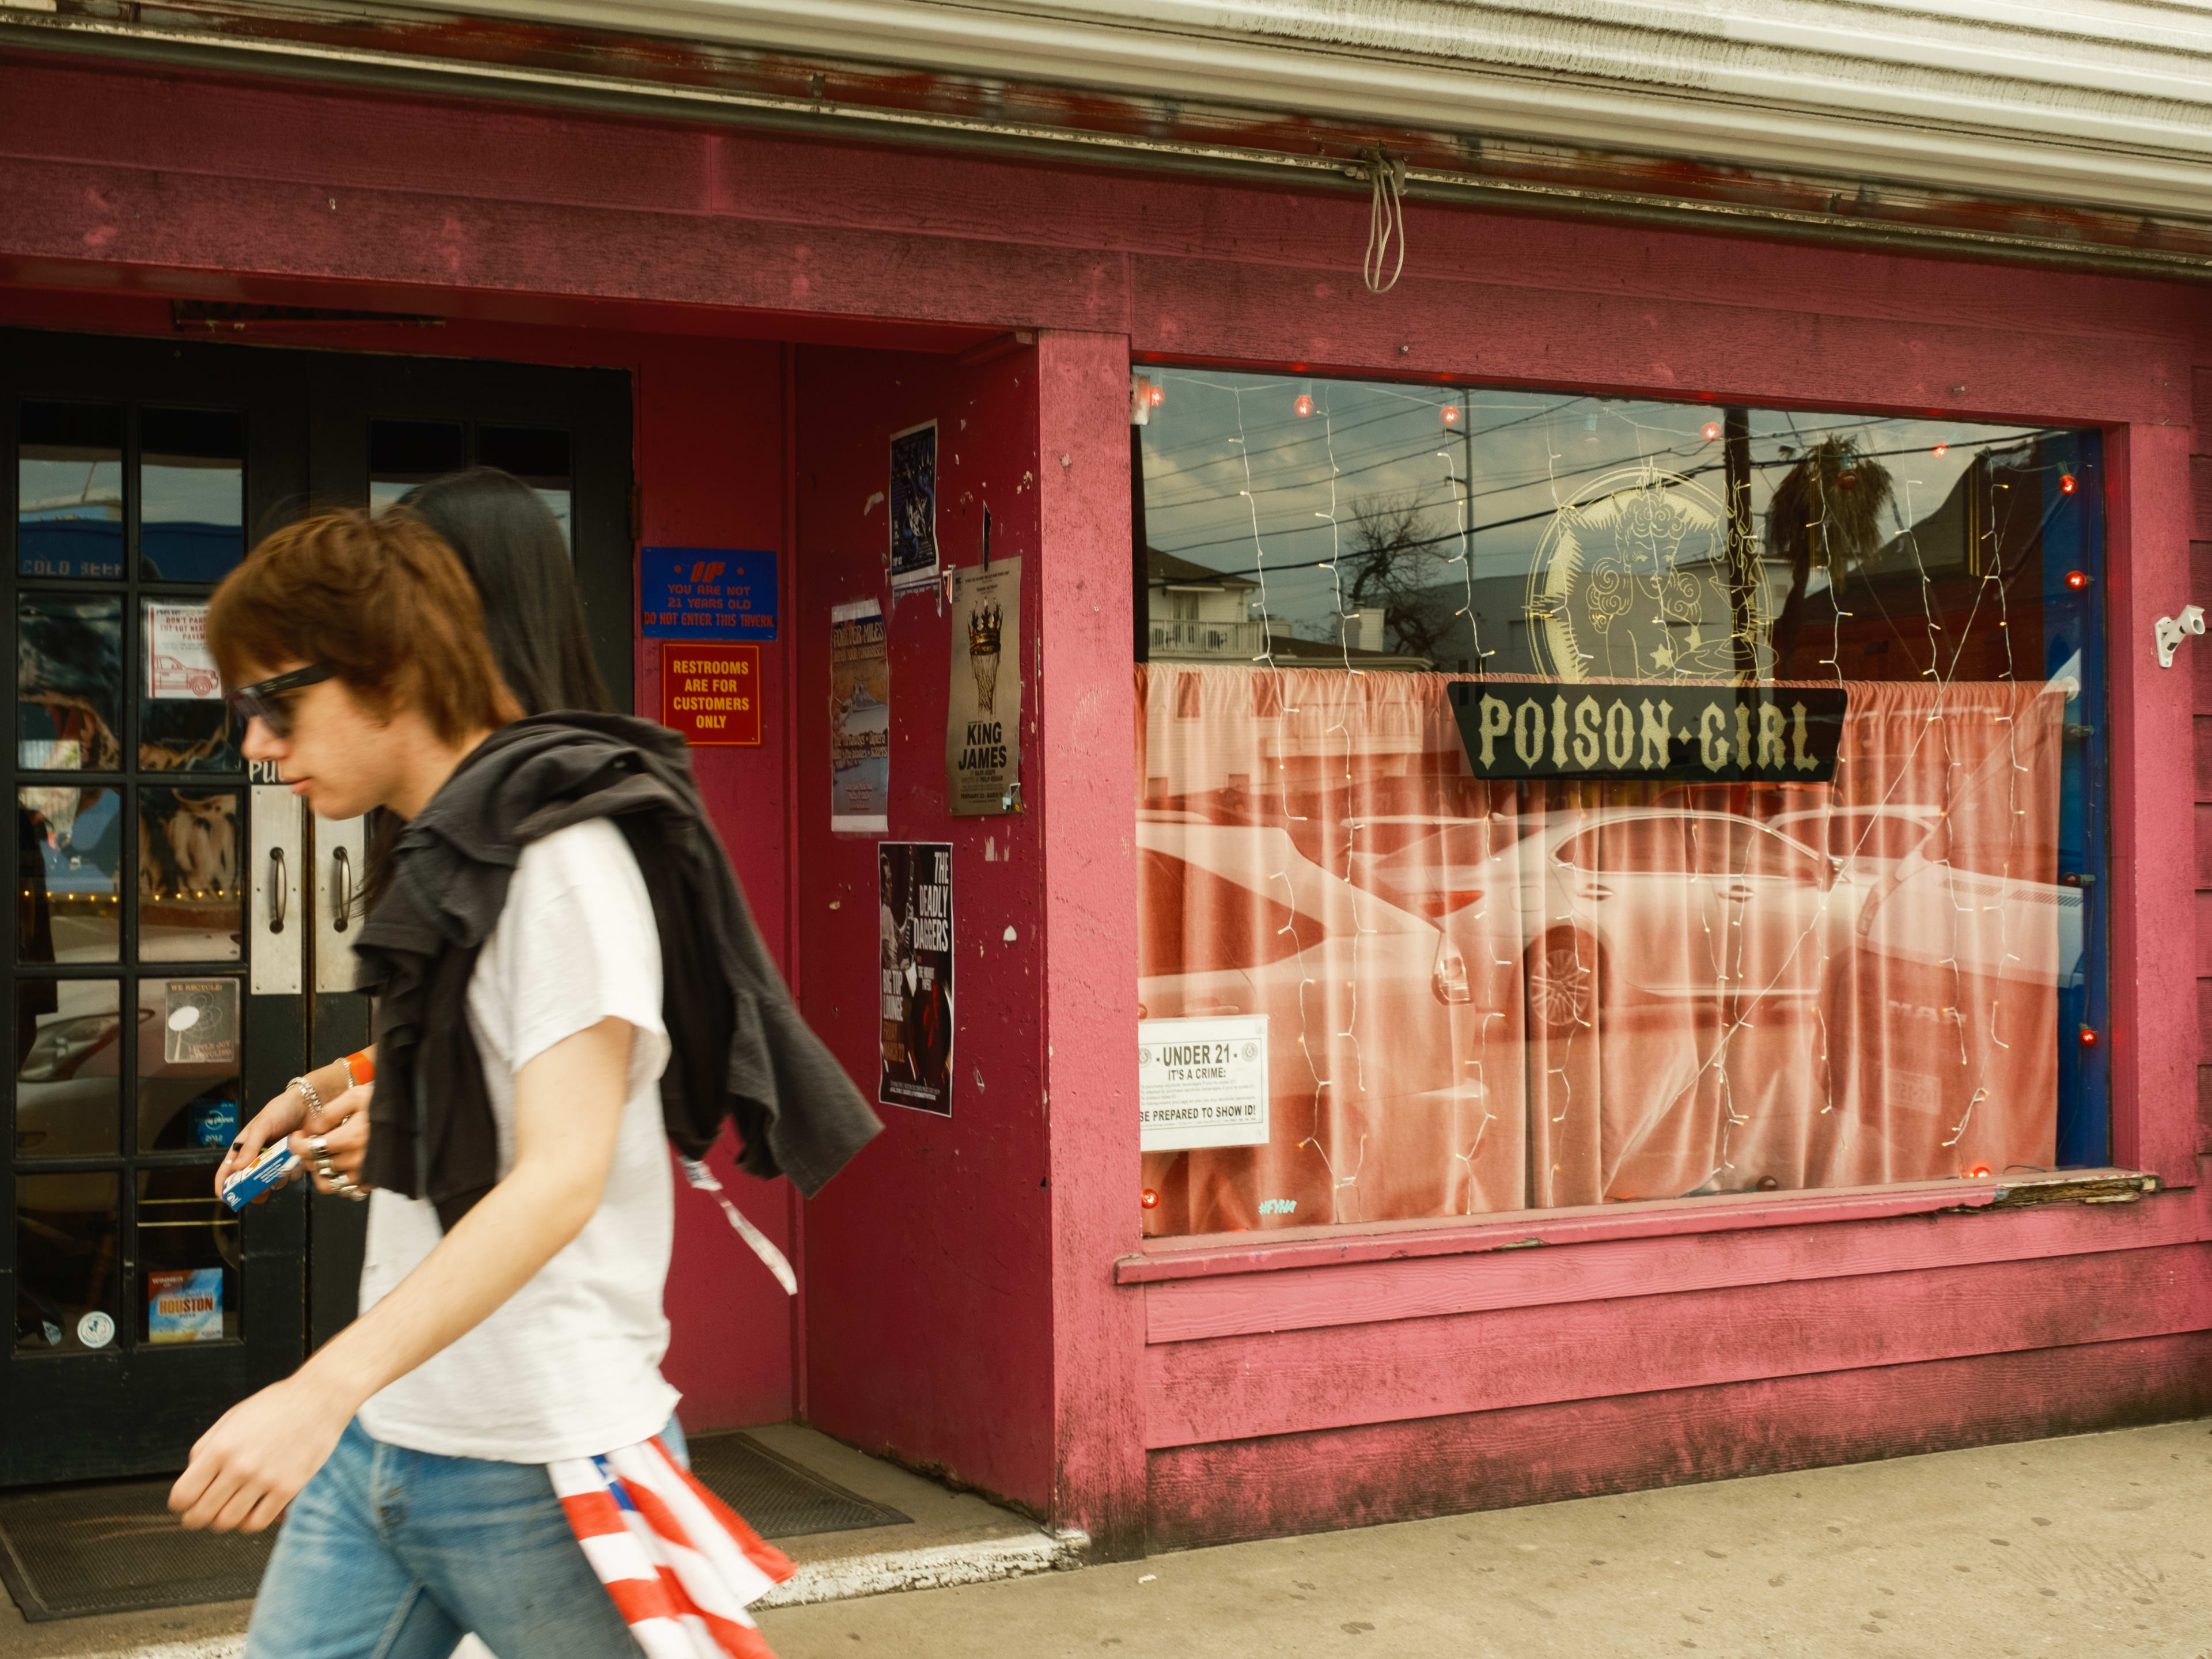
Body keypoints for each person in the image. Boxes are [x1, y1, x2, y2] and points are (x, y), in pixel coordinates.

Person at [175, 510, 806, 1654]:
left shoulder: (561, 862)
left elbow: (559, 1176)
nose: (255, 745)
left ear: (394, 672)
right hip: (393, 1440)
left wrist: (316, 1393)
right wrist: (330, 1090)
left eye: (276, 703)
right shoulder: (452, 843)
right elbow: (488, 1049)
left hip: (541, 1457)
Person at [217, 467, 605, 1192]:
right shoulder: (448, 824)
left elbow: (572, 1143)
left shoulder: (569, 848)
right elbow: (462, 1035)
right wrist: (321, 1091)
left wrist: (413, 1127)